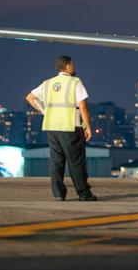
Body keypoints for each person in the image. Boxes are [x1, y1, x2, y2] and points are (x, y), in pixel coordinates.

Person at [26, 55, 98, 201]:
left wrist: (44, 111)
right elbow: (83, 106)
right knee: (76, 163)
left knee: (56, 162)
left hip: (52, 127)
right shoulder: (75, 82)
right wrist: (88, 127)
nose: (74, 67)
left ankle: (58, 194)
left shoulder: (47, 83)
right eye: (73, 64)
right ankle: (84, 194)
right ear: (68, 65)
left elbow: (30, 97)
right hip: (70, 127)